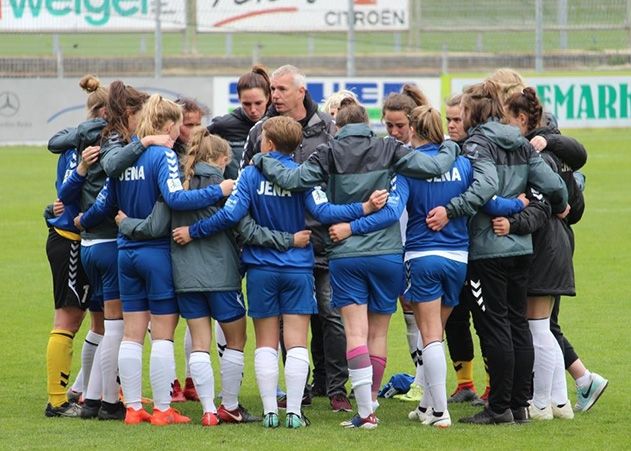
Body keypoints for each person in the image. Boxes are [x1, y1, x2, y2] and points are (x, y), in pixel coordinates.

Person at [251, 99, 460, 429]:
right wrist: (449, 146)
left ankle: (366, 413)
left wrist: (263, 159)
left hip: (346, 254)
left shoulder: (328, 152)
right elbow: (433, 167)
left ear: (338, 127)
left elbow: (294, 181)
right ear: (368, 123)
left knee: (355, 334)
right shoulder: (390, 147)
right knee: (378, 333)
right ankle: (372, 400)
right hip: (388, 253)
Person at [173, 116, 387, 428]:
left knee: (266, 342)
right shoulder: (304, 176)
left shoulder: (249, 174)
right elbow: (325, 212)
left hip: (261, 269)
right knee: (298, 341)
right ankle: (295, 413)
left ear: (268, 143)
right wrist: (362, 209)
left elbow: (231, 215)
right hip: (298, 268)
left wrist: (194, 230)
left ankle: (271, 411)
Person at [116, 127, 306, 424]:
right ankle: (229, 404)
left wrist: (126, 224)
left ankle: (207, 411)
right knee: (236, 340)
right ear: (220, 158)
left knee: (200, 342)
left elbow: (158, 225)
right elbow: (240, 223)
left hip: (185, 277)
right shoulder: (226, 185)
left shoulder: (177, 185)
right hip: (223, 275)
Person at [78, 94, 234, 426]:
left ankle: (133, 408)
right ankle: (163, 409)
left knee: (131, 333)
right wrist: (219, 191)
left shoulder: (123, 158)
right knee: (163, 334)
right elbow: (176, 198)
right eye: (179, 125)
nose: (182, 133)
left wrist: (81, 220)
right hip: (157, 253)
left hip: (126, 252)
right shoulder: (162, 155)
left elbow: (106, 203)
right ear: (168, 125)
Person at [430, 80, 568, 425]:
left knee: (494, 327)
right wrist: (561, 205)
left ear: (473, 111)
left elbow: (486, 185)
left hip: (487, 249)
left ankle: (499, 407)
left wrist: (453, 208)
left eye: (462, 111)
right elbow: (553, 185)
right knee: (517, 325)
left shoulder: (478, 143)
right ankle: (519, 404)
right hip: (521, 248)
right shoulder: (520, 143)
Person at [241, 65, 351, 412]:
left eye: (282, 89)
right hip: (281, 244)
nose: (275, 95)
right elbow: (246, 176)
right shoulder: (261, 130)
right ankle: (298, 392)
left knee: (330, 315)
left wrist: (348, 218)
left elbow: (342, 178)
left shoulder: (328, 129)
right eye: (272, 89)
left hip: (324, 239)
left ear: (301, 91)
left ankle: (335, 388)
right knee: (292, 319)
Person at [394, 105, 474, 428]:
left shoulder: (408, 168)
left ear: (413, 130)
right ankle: (428, 405)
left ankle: (441, 412)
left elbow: (396, 208)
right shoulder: (463, 164)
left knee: (429, 337)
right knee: (436, 333)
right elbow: (481, 199)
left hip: (422, 254)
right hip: (458, 257)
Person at [43, 76, 108, 417]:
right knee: (68, 319)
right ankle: (56, 401)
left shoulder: (76, 140)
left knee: (101, 320)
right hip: (70, 240)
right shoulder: (87, 148)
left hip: (84, 240)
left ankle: (92, 392)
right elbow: (67, 192)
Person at [381, 83, 429, 403]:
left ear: (413, 124)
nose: (395, 131)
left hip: (418, 242)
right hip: (389, 243)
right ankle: (419, 378)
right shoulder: (381, 150)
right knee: (406, 310)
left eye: (400, 125)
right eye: (389, 125)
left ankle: (424, 381)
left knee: (420, 311)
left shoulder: (423, 155)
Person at [442, 93, 485, 405]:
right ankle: (464, 383)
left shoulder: (479, 153)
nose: (452, 125)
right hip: (454, 250)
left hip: (479, 251)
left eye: (457, 119)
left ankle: (495, 384)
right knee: (455, 317)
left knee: (485, 319)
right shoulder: (448, 152)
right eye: (448, 120)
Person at [208, 65, 271, 180]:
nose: (253, 110)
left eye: (258, 103)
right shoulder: (222, 125)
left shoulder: (278, 123)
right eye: (246, 104)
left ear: (267, 97)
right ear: (239, 99)